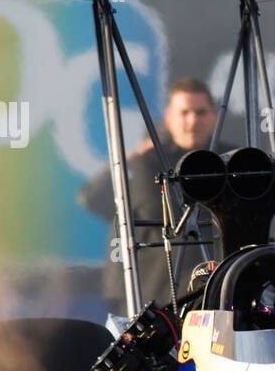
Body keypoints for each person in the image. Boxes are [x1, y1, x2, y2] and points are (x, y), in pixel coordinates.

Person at [79, 77, 220, 312]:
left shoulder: (229, 157)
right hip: (157, 293)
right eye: (184, 112)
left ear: (213, 116)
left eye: (200, 112)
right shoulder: (150, 161)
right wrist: (130, 159)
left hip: (215, 289)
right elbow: (151, 210)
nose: (192, 121)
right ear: (169, 118)